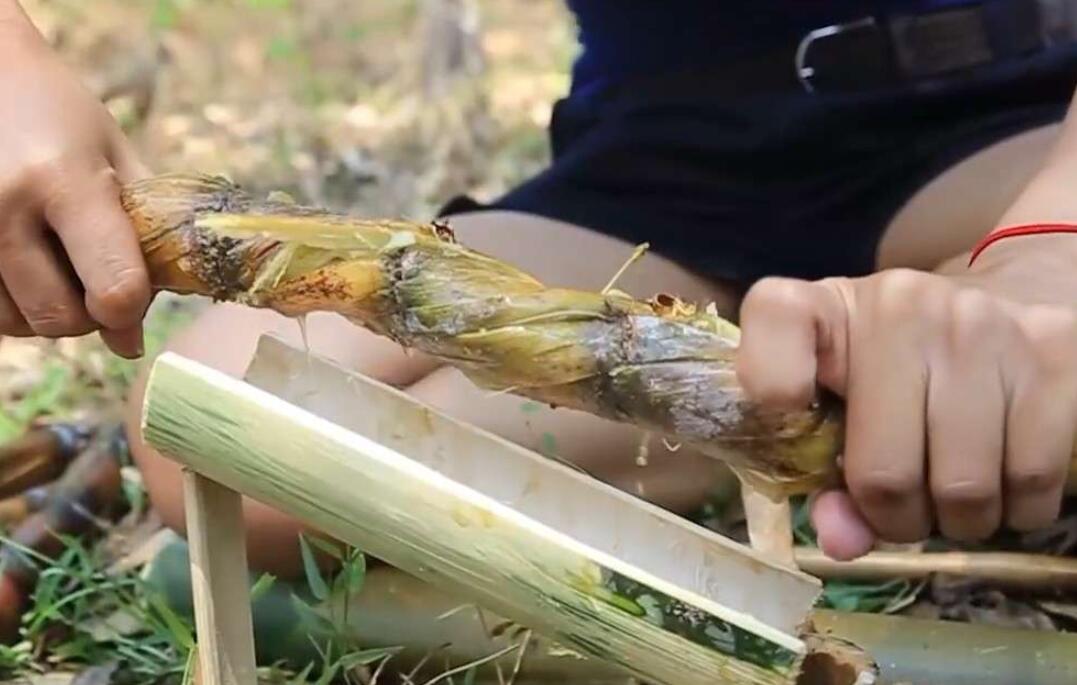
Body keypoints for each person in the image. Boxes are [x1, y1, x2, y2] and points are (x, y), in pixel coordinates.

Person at [3, 0, 1077, 575]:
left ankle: (941, 350)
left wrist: (1040, 255)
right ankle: (796, 388)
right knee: (235, 424)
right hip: (659, 167)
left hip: (1010, 130)